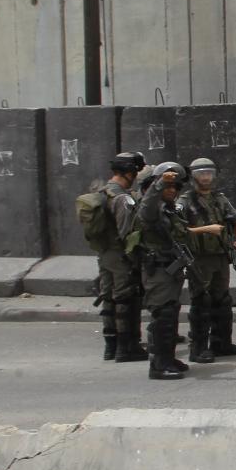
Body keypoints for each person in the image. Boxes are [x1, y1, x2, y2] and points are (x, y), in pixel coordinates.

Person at [177, 157, 236, 363]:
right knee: (201, 301)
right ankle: (198, 347)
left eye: (209, 173)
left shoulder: (219, 198)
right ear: (193, 176)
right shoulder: (185, 201)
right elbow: (179, 230)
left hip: (220, 255)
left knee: (222, 299)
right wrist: (207, 229)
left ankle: (221, 342)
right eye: (201, 174)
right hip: (199, 258)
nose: (206, 177)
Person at [137, 162, 194, 380]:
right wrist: (160, 183)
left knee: (171, 313)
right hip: (158, 271)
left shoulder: (170, 211)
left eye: (175, 187)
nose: (172, 190)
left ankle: (168, 358)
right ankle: (159, 365)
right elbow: (148, 205)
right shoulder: (151, 209)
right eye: (168, 187)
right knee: (162, 316)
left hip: (171, 271)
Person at [94, 151, 147, 363]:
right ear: (129, 172)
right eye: (135, 171)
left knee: (108, 296)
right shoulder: (123, 198)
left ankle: (111, 345)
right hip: (120, 255)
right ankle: (127, 347)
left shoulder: (101, 192)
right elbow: (127, 233)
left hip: (105, 253)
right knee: (126, 298)